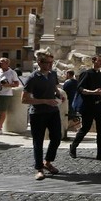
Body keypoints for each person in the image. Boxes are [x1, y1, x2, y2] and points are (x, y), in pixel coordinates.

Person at [23, 51, 64, 181]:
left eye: (52, 62)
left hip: (53, 111)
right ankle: (39, 169)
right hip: (38, 113)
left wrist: (59, 95)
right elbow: (24, 99)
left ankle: (48, 162)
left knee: (57, 137)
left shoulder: (53, 74)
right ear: (40, 63)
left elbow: (54, 88)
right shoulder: (32, 78)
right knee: (38, 142)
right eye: (48, 62)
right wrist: (45, 101)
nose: (51, 65)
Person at [70, 55, 101, 161]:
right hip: (88, 105)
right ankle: (73, 146)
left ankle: (100, 154)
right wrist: (93, 92)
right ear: (93, 61)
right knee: (85, 128)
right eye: (99, 60)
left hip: (99, 105)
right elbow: (80, 89)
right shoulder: (86, 73)